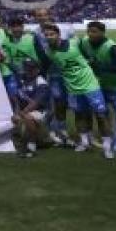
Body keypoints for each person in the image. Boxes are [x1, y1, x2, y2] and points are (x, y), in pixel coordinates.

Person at [42, 24, 114, 159]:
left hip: (90, 86)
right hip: (72, 88)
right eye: (46, 35)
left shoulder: (75, 43)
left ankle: (107, 146)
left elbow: (91, 55)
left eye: (51, 34)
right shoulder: (49, 52)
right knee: (79, 114)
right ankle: (84, 142)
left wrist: (93, 66)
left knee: (100, 115)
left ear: (58, 35)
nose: (49, 37)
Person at [79, 21, 116, 152]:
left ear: (103, 32)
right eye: (89, 31)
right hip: (99, 84)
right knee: (102, 112)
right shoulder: (84, 41)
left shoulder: (112, 46)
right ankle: (109, 136)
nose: (91, 34)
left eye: (95, 32)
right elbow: (82, 54)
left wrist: (99, 66)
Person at [33, 9, 71, 147]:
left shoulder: (65, 29)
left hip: (68, 72)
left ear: (49, 15)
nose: (42, 17)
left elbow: (73, 46)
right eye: (39, 15)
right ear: (36, 18)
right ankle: (53, 132)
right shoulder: (36, 33)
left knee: (64, 103)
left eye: (44, 15)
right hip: (50, 73)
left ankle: (61, 129)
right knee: (54, 101)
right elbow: (39, 53)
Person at [12, 59, 50, 158]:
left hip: (41, 113)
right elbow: (16, 98)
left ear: (37, 70)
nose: (27, 70)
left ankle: (31, 147)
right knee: (14, 118)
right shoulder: (22, 80)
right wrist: (16, 112)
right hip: (26, 112)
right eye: (26, 68)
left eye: (30, 68)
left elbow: (35, 103)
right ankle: (20, 143)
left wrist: (21, 114)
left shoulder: (41, 83)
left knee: (28, 117)